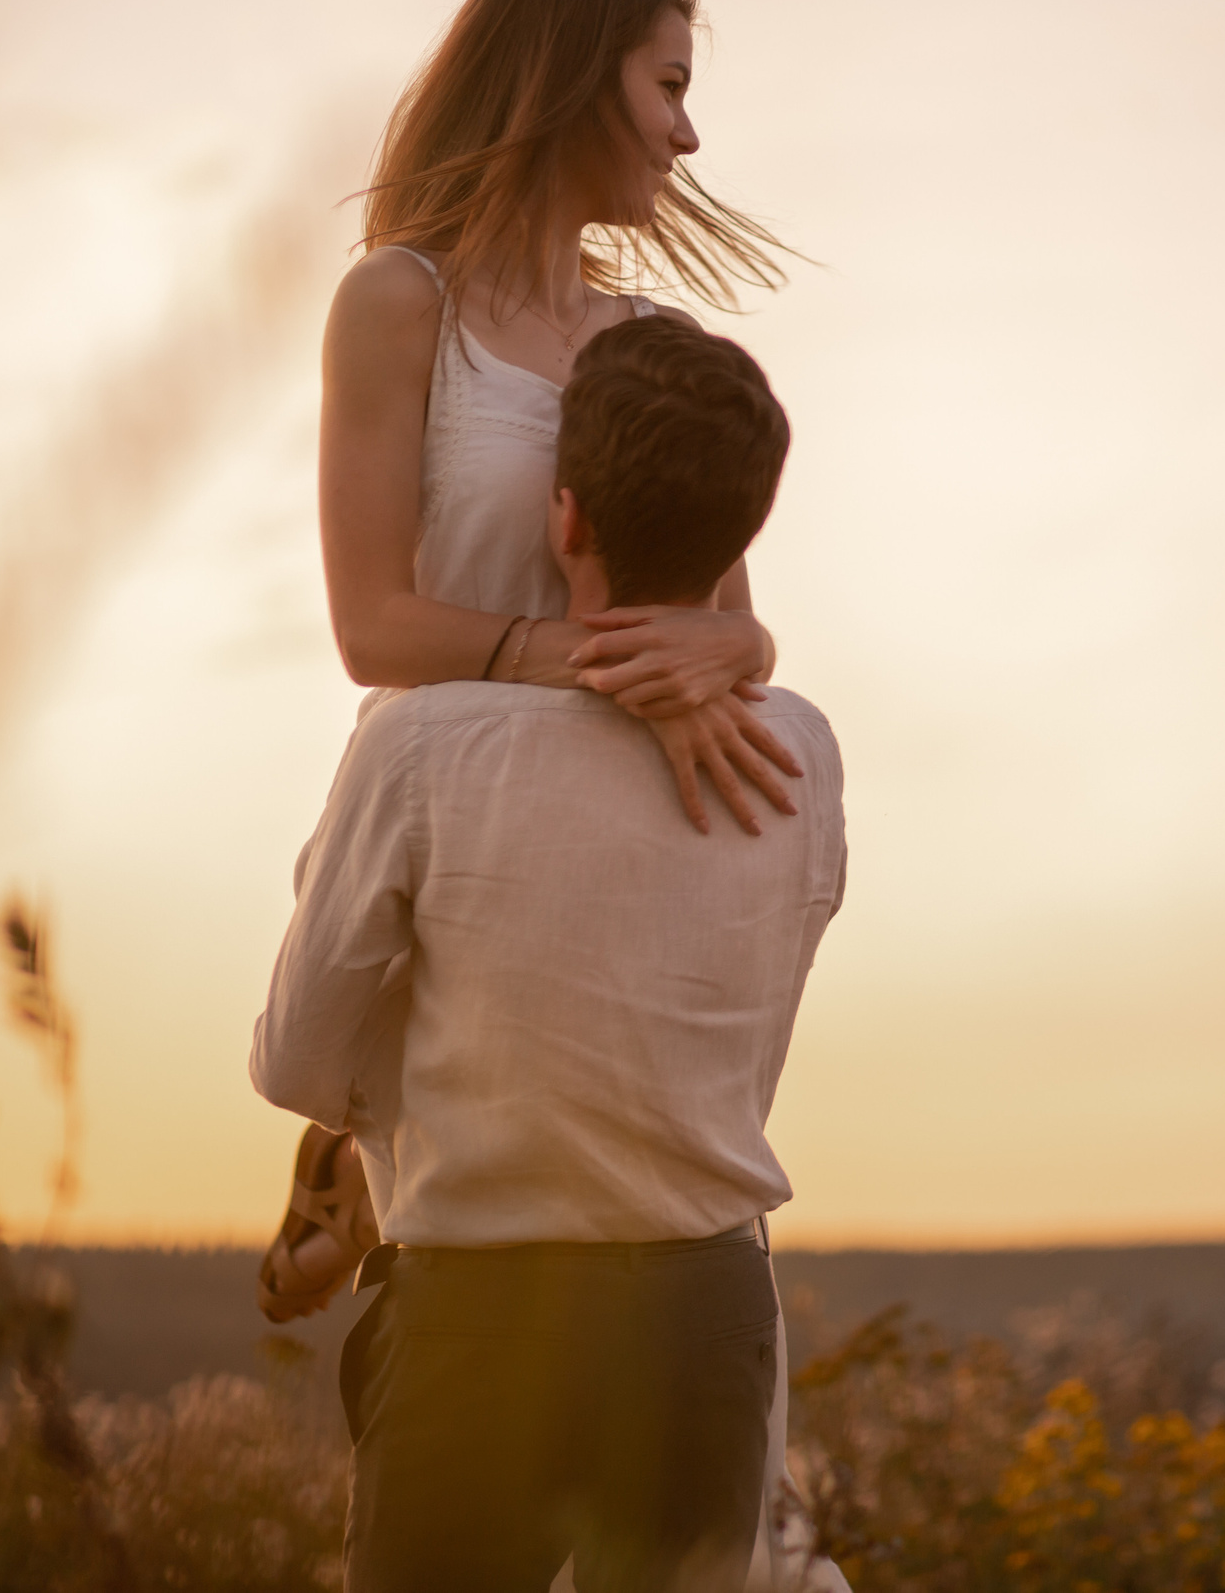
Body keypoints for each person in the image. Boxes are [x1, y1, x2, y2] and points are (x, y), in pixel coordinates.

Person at [252, 314, 846, 1591]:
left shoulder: (422, 750)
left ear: (564, 520)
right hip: (707, 1317)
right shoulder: (804, 754)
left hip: (481, 1326)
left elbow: (295, 1060)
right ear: (743, 542)